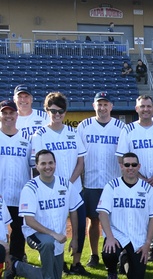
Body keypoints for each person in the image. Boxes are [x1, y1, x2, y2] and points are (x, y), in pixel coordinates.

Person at [115, 95, 153, 269]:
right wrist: (139, 178)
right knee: (137, 222)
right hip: (136, 185)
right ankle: (136, 252)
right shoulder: (128, 130)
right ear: (136, 109)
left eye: (149, 106)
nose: (146, 109)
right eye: (142, 106)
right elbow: (121, 158)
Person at [31, 92, 88, 275]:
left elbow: (81, 162)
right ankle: (56, 261)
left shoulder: (72, 132)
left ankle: (76, 263)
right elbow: (39, 165)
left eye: (60, 111)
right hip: (50, 190)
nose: (57, 115)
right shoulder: (40, 134)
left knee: (78, 225)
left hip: (74, 188)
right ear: (47, 111)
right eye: (53, 111)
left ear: (65, 112)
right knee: (54, 228)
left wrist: (70, 183)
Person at [13, 149, 82, 279]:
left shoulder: (65, 184)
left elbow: (73, 210)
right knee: (48, 243)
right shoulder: (30, 188)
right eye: (43, 163)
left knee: (54, 276)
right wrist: (52, 234)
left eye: (51, 163)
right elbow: (29, 221)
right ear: (37, 166)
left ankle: (17, 266)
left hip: (58, 236)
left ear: (55, 164)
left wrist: (75, 238)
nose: (47, 167)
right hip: (34, 233)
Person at [76, 92, 125, 269]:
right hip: (91, 181)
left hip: (114, 183)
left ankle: (115, 254)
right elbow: (78, 156)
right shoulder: (84, 126)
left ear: (111, 106)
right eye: (99, 104)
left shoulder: (120, 126)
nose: (102, 107)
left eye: (106, 104)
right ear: (93, 106)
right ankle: (94, 254)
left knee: (115, 220)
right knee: (93, 220)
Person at [97, 152, 153, 279]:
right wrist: (110, 237)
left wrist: (147, 243)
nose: (130, 167)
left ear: (139, 166)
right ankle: (112, 272)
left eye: (134, 165)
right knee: (109, 253)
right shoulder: (112, 186)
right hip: (117, 234)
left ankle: (124, 261)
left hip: (138, 237)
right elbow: (102, 213)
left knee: (136, 276)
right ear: (121, 166)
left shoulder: (147, 189)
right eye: (127, 164)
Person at [0, 100, 32, 267]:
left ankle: (15, 265)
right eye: (4, 113)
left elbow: (33, 167)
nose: (8, 116)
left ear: (17, 115)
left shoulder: (26, 139)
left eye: (11, 112)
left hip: (20, 195)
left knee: (19, 233)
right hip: (0, 196)